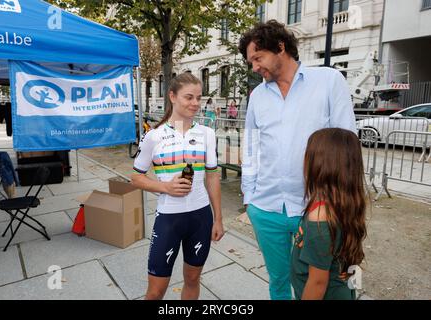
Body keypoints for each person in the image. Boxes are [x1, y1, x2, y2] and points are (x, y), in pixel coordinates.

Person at [238, 20, 356, 300]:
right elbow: (252, 148)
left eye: (258, 57)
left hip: (316, 209)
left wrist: (337, 202)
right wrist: (249, 197)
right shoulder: (257, 96)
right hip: (266, 208)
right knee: (278, 280)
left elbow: (346, 145)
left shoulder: (328, 81)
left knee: (316, 284)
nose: (254, 67)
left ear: (280, 47)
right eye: (250, 61)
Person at [131, 73, 224, 300]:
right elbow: (135, 177)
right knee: (155, 292)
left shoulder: (207, 134)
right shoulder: (153, 136)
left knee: (192, 280)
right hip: (169, 219)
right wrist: (165, 188)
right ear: (172, 96)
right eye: (188, 97)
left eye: (198, 98)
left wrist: (218, 218)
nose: (195, 103)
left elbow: (212, 178)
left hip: (201, 218)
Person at [291, 128, 367, 300]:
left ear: (321, 164)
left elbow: (318, 283)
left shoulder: (321, 217)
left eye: (308, 154)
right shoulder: (344, 202)